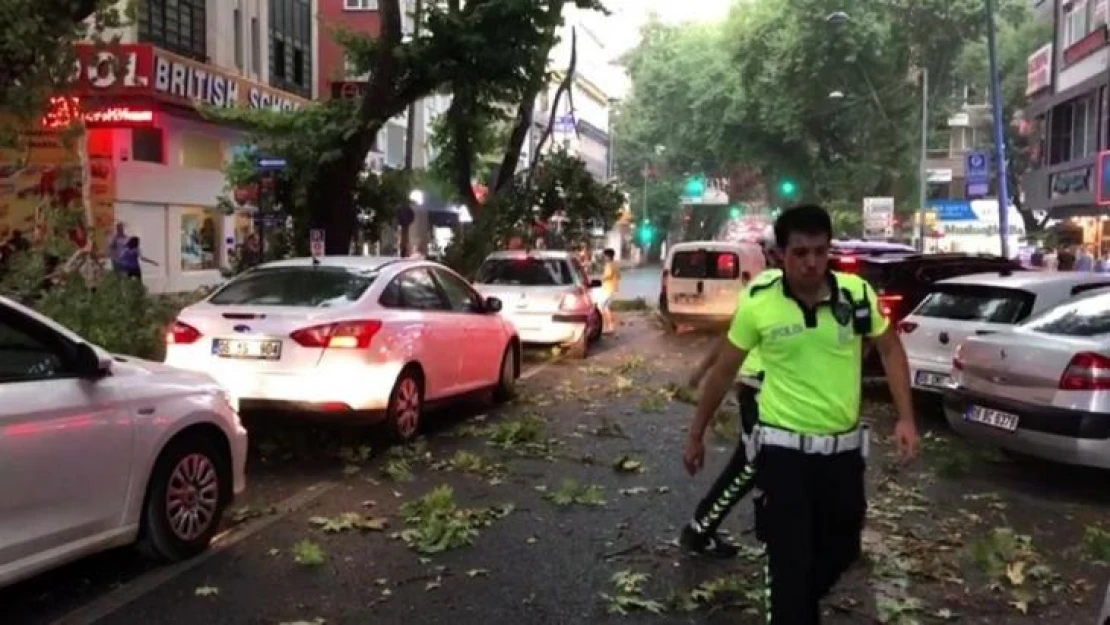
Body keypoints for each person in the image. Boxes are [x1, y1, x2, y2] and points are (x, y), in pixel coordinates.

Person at [684, 204, 919, 624]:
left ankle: (795, 603)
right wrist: (696, 433)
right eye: (800, 253)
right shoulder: (760, 303)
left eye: (819, 251)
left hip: (843, 452)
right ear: (781, 254)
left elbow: (889, 350)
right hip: (782, 447)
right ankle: (790, 606)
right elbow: (725, 372)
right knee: (788, 554)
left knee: (843, 546)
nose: (811, 262)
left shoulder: (857, 295)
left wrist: (906, 418)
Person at [679, 241, 781, 558]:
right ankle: (700, 529)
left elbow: (729, 335)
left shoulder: (762, 286)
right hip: (760, 386)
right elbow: (733, 336)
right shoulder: (766, 290)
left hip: (767, 388)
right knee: (752, 464)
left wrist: (700, 370)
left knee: (768, 462)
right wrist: (703, 371)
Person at [599, 248, 621, 334]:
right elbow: (619, 276)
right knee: (606, 308)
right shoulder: (615, 265)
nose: (604, 258)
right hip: (613, 289)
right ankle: (610, 327)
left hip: (607, 289)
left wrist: (600, 279)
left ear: (608, 256)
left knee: (601, 307)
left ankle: (605, 327)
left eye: (604, 256)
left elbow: (607, 276)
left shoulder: (609, 265)